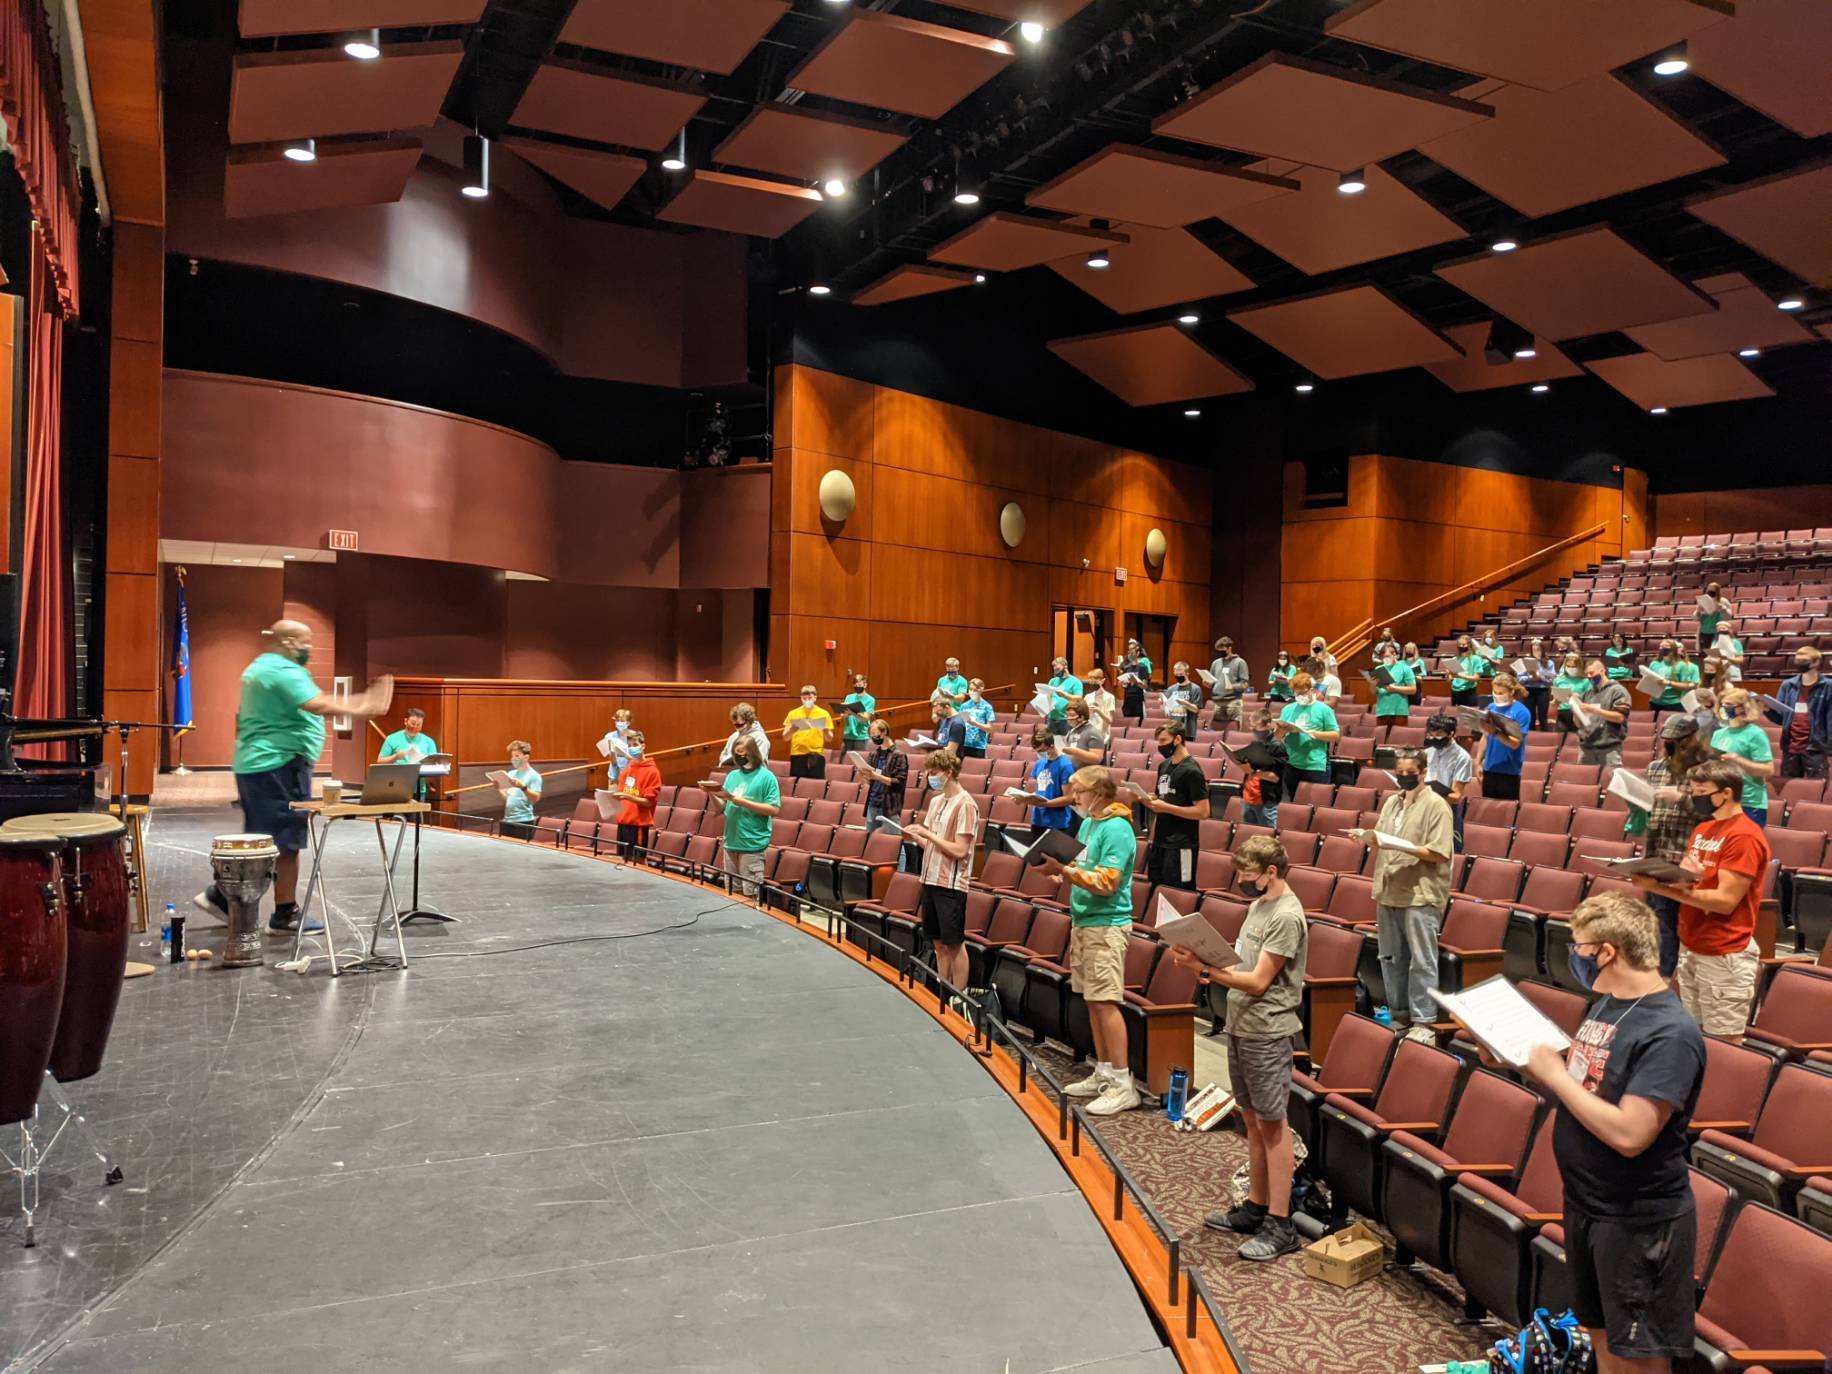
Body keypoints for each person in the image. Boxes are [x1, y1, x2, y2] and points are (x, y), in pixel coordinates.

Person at [1517, 891, 1705, 1374]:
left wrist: (1554, 1077)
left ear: (1607, 951)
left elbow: (1630, 1133)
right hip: (1588, 1204)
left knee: (1637, 1357)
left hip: (1637, 1218)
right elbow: (1591, 1086)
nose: (1572, 955)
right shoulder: (1608, 1004)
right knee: (1602, 1338)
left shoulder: (1670, 1032)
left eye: (1578, 946)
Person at [194, 619, 392, 934]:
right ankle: (278, 911)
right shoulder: (280, 671)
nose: (309, 648)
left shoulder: (261, 668)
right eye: (305, 641)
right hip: (278, 764)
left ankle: (228, 897)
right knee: (285, 840)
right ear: (288, 642)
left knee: (265, 837)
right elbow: (317, 704)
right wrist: (365, 704)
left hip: (263, 765)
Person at [1176, 836, 1307, 1262]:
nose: (1242, 882)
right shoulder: (1259, 906)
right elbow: (1240, 965)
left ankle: (1281, 1222)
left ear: (1272, 872)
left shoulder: (1287, 916)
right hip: (1241, 1025)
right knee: (1251, 1120)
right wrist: (1205, 962)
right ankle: (1255, 1206)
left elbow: (1258, 981)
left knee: (1273, 1125)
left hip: (1267, 1032)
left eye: (1249, 875)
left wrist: (1208, 970)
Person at [1630, 759, 1770, 1042]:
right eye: (1693, 791)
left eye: (1701, 792)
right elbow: (1695, 880)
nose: (1695, 798)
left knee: (1723, 1045)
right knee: (1691, 1037)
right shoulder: (1703, 830)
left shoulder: (1744, 836)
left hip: (1724, 952)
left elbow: (1724, 901)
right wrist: (1665, 877)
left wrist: (1661, 890)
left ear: (1726, 793)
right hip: (1691, 945)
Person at [1039, 766, 1140, 1116]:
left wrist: (1066, 871)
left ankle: (1123, 1083)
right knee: (1093, 1000)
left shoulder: (1118, 828)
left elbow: (1108, 881)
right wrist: (1058, 872)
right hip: (1083, 920)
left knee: (1107, 1001)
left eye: (1078, 790)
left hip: (1107, 924)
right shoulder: (1088, 824)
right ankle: (1104, 1071)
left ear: (1098, 791)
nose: (1073, 796)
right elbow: (1082, 868)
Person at [1357, 749, 1454, 1039]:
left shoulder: (1437, 805)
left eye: (1408, 772)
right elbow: (1382, 838)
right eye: (1398, 772)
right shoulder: (1391, 802)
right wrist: (1368, 838)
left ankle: (1423, 1023)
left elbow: (1439, 853)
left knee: (1421, 961)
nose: (1402, 777)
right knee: (1390, 957)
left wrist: (1398, 845)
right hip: (1388, 890)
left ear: (1423, 773)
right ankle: (1399, 1016)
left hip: (1420, 895)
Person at [1630, 715, 1714, 979]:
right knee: (1655, 918)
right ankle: (1658, 974)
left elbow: (1711, 812)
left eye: (1675, 743)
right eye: (1666, 742)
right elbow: (1645, 802)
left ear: (1689, 741)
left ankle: (1671, 979)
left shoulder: (1706, 770)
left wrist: (1680, 798)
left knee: (1675, 921)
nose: (1669, 747)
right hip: (1656, 850)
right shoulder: (1656, 767)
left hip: (1685, 853)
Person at [904, 749, 981, 998]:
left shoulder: (966, 804)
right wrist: (917, 836)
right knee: (937, 943)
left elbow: (959, 850)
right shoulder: (936, 800)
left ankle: (958, 996)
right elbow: (932, 844)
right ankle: (942, 990)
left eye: (934, 773)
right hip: (930, 878)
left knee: (954, 944)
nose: (930, 777)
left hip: (951, 884)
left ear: (949, 773)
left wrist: (927, 834)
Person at [1132, 723, 1209, 891]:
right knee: (1156, 887)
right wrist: (1148, 799)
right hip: (1160, 840)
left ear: (1178, 739)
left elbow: (1203, 812)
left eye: (1163, 740)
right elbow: (1163, 798)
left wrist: (1166, 807)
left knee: (1180, 891)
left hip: (1183, 844)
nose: (1160, 746)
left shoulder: (1192, 771)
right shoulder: (1164, 766)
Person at [709, 738, 780, 897]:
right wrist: (711, 792)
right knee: (732, 895)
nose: (739, 757)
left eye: (742, 754)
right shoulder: (733, 775)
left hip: (751, 846)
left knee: (751, 897)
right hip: (731, 843)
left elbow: (773, 809)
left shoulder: (766, 777)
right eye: (736, 754)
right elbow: (721, 807)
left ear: (752, 754)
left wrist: (743, 802)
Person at [1766, 645, 1832, 780]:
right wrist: (1767, 710)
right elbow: (1780, 719)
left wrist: (1829, 747)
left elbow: (1830, 719)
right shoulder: (1787, 685)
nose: (1799, 663)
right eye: (1797, 659)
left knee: (1817, 789)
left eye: (1804, 660)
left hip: (1816, 748)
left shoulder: (1828, 686)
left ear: (1816, 662)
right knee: (1790, 789)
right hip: (1790, 747)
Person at [1709, 688, 1774, 825]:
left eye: (1729, 706)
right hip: (1723, 800)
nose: (1724, 709)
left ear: (1743, 708)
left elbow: (1768, 770)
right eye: (1722, 705)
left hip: (1749, 802)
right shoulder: (1718, 734)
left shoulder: (1755, 734)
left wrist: (1737, 760)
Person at [1275, 670, 1338, 798]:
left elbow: (1335, 735)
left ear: (1312, 690)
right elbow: (1277, 737)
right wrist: (1281, 731)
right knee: (1295, 804)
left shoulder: (1324, 709)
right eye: (1296, 693)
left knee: (1315, 804)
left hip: (1316, 765)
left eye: (1302, 692)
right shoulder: (1288, 709)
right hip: (1292, 764)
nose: (1299, 696)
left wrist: (1314, 733)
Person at [1473, 672, 1531, 801]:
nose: (1497, 696)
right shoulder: (1491, 707)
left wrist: (1495, 732)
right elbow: (1485, 737)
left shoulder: (1522, 712)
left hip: (1509, 770)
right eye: (1495, 692)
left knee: (1506, 812)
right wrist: (1478, 761)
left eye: (1501, 693)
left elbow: (1515, 743)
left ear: (1511, 692)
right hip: (1490, 768)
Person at [1423, 712, 1472, 850]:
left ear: (1451, 734)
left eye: (1439, 735)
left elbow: (1456, 797)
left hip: (1447, 811)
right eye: (1431, 735)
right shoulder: (1427, 753)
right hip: (1425, 808)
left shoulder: (1462, 757)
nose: (1434, 738)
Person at [1574, 658, 1632, 767]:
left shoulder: (1617, 691)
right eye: (1587, 674)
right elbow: (1578, 724)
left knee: (1610, 783)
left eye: (1591, 673)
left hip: (1609, 750)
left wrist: (1594, 710)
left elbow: (1619, 718)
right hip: (1586, 749)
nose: (1589, 676)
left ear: (1602, 671)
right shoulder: (1587, 694)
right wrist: (1575, 709)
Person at [1020, 726, 1078, 835]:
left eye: (1041, 750)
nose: (1039, 753)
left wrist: (1046, 804)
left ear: (1051, 746)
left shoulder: (1065, 765)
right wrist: (1024, 799)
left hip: (1057, 822)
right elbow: (1041, 790)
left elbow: (1069, 798)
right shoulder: (1040, 763)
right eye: (1036, 750)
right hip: (1038, 819)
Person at [613, 730, 661, 857]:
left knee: (636, 863)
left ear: (643, 746)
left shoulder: (652, 771)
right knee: (621, 861)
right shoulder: (628, 768)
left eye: (635, 745)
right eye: (629, 746)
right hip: (623, 823)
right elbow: (620, 792)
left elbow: (648, 802)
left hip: (638, 824)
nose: (632, 748)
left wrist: (629, 797)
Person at [856, 717, 908, 831]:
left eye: (875, 734)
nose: (873, 738)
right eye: (871, 735)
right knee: (870, 842)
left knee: (893, 843)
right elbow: (870, 781)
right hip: (872, 803)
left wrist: (876, 776)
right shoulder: (874, 754)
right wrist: (863, 776)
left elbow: (898, 783)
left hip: (889, 807)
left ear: (884, 732)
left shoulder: (898, 755)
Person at [377, 705, 437, 801]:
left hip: (419, 788)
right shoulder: (392, 738)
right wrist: (395, 757)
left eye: (419, 725)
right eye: (413, 723)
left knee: (417, 815)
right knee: (398, 815)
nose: (415, 727)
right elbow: (379, 761)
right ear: (405, 721)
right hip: (397, 787)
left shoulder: (429, 741)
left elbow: (434, 763)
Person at [1239, 708, 1285, 829]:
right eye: (1252, 727)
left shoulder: (1277, 747)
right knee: (1249, 837)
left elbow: (1275, 778)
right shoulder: (1255, 743)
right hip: (1247, 798)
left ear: (1268, 725)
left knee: (1267, 840)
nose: (1254, 730)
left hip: (1265, 801)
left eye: (1257, 727)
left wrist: (1254, 772)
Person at [782, 685, 835, 779]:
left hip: (816, 754)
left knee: (816, 785)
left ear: (815, 698)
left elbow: (829, 738)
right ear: (801, 698)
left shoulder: (824, 713)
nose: (807, 700)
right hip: (797, 754)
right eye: (804, 698)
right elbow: (785, 737)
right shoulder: (793, 713)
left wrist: (826, 730)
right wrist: (791, 730)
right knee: (797, 785)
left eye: (809, 698)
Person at [495, 740, 543, 840]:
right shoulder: (511, 774)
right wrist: (499, 787)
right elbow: (507, 798)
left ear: (526, 757)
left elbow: (536, 798)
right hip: (507, 820)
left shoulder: (534, 776)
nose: (513, 759)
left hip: (524, 822)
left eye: (517, 756)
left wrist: (523, 787)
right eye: (512, 756)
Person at [1646, 640, 1698, 720]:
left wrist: (1669, 683)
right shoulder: (1654, 664)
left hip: (1674, 703)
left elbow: (1686, 685)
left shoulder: (1682, 665)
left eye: (1665, 646)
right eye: (1660, 646)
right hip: (1655, 702)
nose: (1661, 648)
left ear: (1673, 649)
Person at [1371, 639, 1416, 726]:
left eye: (1387, 657)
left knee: (1399, 738)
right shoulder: (1378, 669)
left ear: (1394, 654)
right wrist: (1373, 685)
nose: (1385, 660)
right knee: (1381, 738)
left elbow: (1413, 689)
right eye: (1383, 658)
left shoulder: (1405, 668)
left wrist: (1394, 688)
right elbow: (1374, 692)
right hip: (1382, 711)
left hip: (1399, 711)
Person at [1208, 637, 1250, 727]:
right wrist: (1208, 683)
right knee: (1217, 731)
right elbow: (1212, 682)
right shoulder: (1215, 663)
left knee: (1233, 731)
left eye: (1222, 650)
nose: (1220, 653)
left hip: (1233, 702)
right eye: (1218, 651)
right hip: (1217, 702)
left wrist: (1233, 686)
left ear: (1229, 648)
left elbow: (1245, 684)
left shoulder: (1240, 662)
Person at [1522, 637, 1558, 730]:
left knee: (1543, 716)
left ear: (1542, 649)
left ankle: (1545, 739)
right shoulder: (1525, 661)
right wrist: (1530, 678)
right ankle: (1530, 738)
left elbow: (1551, 679)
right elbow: (1519, 678)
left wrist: (1540, 677)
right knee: (1530, 716)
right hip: (1529, 690)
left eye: (1537, 649)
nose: (1535, 650)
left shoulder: (1549, 663)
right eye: (1533, 649)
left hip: (1543, 690)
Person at [955, 678, 996, 758]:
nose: (972, 692)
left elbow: (990, 728)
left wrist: (975, 723)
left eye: (975, 689)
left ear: (981, 689)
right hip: (963, 744)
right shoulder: (964, 706)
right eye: (970, 689)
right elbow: (959, 723)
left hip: (978, 746)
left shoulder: (987, 707)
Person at [1060, 699, 1109, 766]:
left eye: (1071, 715)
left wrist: (1074, 751)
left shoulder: (1093, 733)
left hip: (1087, 775)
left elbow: (1097, 759)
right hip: (1072, 773)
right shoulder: (1072, 731)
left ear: (1082, 717)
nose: (1068, 718)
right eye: (1067, 715)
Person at [1044, 656, 1084, 737]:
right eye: (1054, 668)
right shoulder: (1052, 681)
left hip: (1067, 719)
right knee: (1051, 745)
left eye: (1057, 668)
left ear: (1065, 667)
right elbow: (1048, 696)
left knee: (1066, 745)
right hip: (1052, 718)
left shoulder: (1075, 681)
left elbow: (1079, 698)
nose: (1055, 670)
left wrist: (1065, 695)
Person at [1552, 653, 1589, 737]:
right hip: (1563, 712)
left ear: (1579, 667)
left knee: (1577, 741)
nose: (1570, 669)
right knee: (1561, 739)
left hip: (1579, 713)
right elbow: (1555, 700)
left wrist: (1577, 697)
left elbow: (1589, 700)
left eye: (1573, 667)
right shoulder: (1558, 680)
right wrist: (1554, 702)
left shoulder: (1585, 681)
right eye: (1568, 666)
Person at [1164, 661, 1203, 738]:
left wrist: (1185, 703)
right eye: (1176, 675)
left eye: (1181, 675)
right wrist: (1163, 705)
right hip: (1173, 728)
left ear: (1187, 673)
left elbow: (1196, 710)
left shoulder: (1195, 688)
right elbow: (1167, 713)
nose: (1178, 676)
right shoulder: (1171, 689)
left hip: (1188, 730)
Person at [597, 708, 635, 786]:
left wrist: (625, 755)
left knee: (628, 797)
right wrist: (613, 752)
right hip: (614, 776)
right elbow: (612, 760)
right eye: (617, 721)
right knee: (612, 797)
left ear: (628, 722)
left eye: (622, 721)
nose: (619, 723)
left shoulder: (634, 735)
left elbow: (638, 758)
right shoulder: (609, 736)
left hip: (630, 776)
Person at [1117, 639, 1152, 722]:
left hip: (1138, 699)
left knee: (1138, 723)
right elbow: (1123, 685)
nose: (1130, 654)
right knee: (1127, 722)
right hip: (1127, 699)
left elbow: (1145, 685)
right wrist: (1122, 684)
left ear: (1137, 653)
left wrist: (1136, 681)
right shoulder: (1126, 667)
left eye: (1132, 652)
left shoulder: (1142, 667)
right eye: (1129, 651)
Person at [840, 673, 875, 756]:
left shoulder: (870, 700)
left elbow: (865, 718)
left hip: (861, 736)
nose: (857, 686)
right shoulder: (849, 697)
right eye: (855, 684)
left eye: (859, 684)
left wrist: (852, 712)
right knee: (846, 762)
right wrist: (844, 715)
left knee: (859, 764)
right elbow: (844, 716)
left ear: (865, 685)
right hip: (848, 735)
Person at [1448, 634, 1486, 708]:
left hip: (1468, 692)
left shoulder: (1476, 659)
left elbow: (1476, 678)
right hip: (1455, 692)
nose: (1461, 646)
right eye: (1459, 644)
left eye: (1463, 644)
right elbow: (1450, 679)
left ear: (1469, 645)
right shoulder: (1454, 659)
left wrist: (1460, 676)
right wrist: (1449, 676)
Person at [1696, 581, 1732, 656]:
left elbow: (1729, 617)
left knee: (1716, 656)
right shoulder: (1703, 601)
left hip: (1717, 632)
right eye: (1708, 590)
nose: (1710, 592)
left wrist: (1722, 608)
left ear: (1717, 591)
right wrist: (1698, 611)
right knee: (1706, 656)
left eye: (1712, 591)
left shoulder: (1723, 601)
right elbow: (1696, 618)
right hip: (1704, 632)